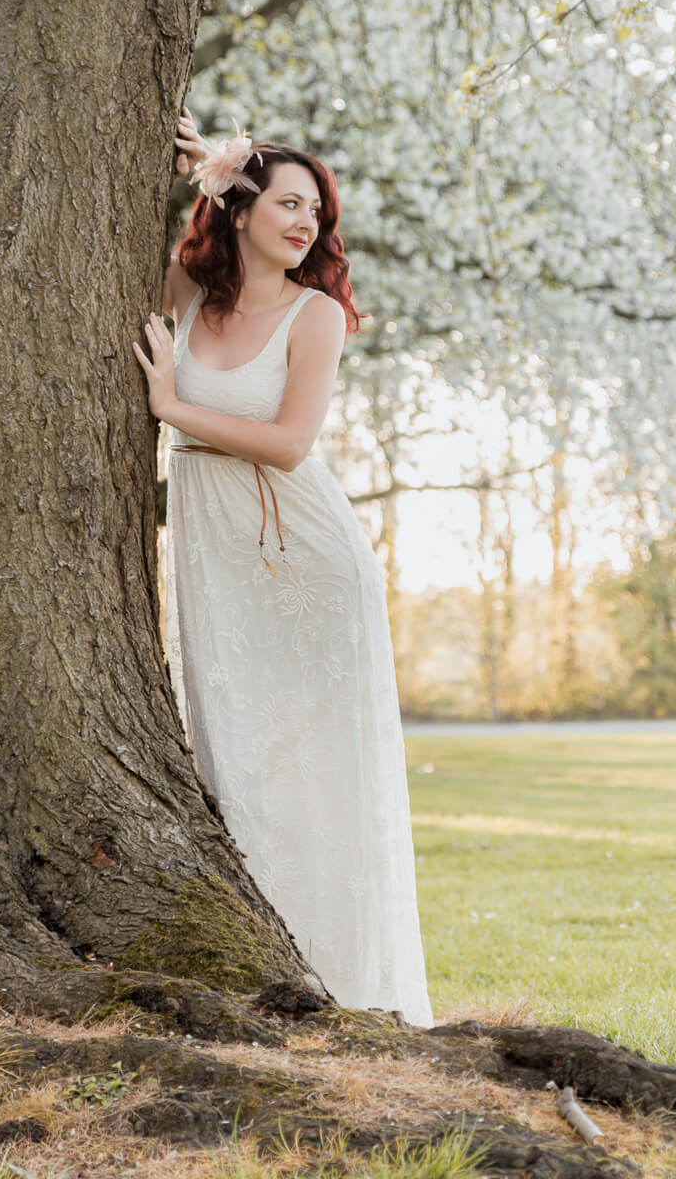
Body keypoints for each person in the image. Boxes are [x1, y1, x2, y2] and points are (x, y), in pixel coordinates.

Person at [133, 114, 433, 1027]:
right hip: (214, 549)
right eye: (287, 201)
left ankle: (343, 981)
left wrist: (168, 403)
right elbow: (126, 230)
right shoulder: (188, 291)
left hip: (304, 558)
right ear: (241, 206)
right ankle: (256, 964)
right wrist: (199, 160)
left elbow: (291, 446)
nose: (305, 221)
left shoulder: (317, 315)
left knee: (315, 769)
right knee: (234, 753)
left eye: (316, 208)